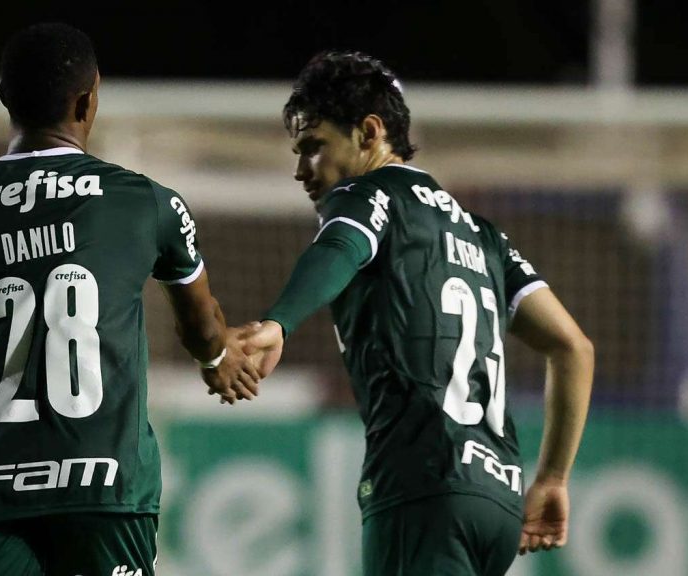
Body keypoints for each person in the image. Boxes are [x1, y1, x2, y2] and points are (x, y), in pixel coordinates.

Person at [0, 22, 260, 576]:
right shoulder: (146, 201)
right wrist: (217, 358)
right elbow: (203, 323)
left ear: (3, 101)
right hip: (108, 494)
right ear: (88, 100)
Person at [242, 50, 594, 575]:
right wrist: (553, 480)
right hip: (496, 496)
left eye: (313, 146)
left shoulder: (368, 195)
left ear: (368, 132)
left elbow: (339, 248)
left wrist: (278, 323)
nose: (300, 171)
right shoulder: (485, 236)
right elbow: (574, 348)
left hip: (423, 484)